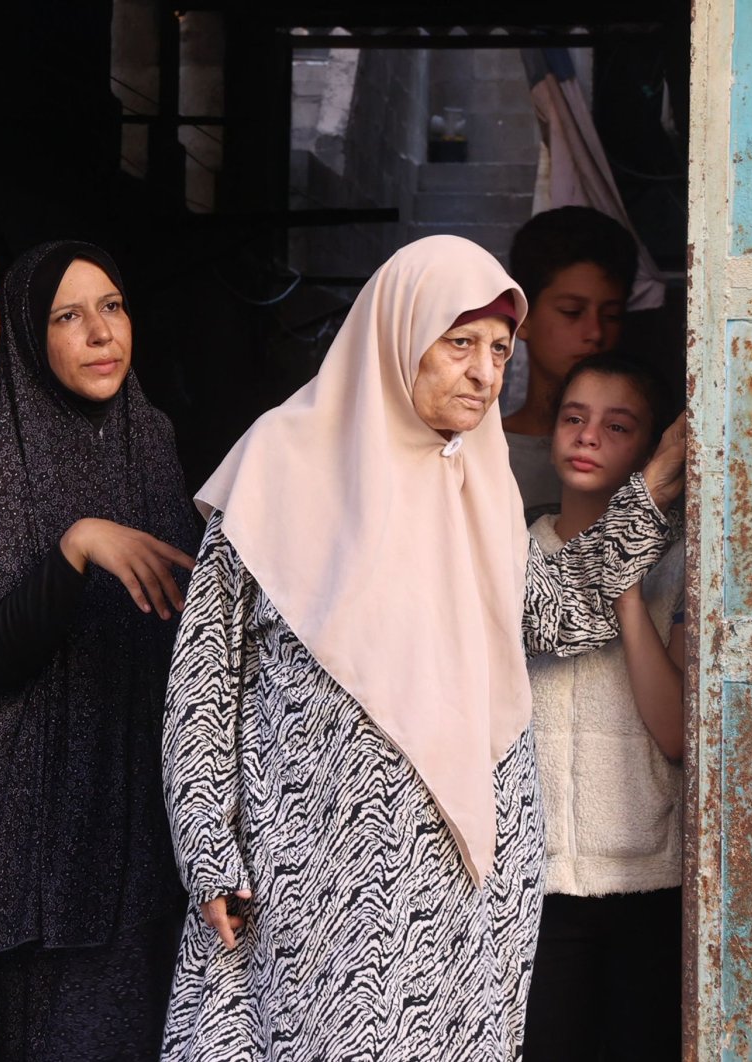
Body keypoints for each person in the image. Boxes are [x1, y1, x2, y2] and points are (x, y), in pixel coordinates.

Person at [160, 235, 685, 1061]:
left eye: (500, 350)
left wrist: (653, 486)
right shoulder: (279, 465)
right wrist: (208, 847)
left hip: (463, 886)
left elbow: (551, 617)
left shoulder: (481, 482)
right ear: (399, 333)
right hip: (311, 866)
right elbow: (202, 679)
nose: (484, 373)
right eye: (460, 343)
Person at [0, 241, 200, 1059]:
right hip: (53, 840)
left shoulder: (152, 437)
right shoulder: (6, 452)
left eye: (113, 307)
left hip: (150, 822)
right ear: (30, 335)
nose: (100, 332)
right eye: (68, 316)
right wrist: (78, 545)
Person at [522, 355, 685, 1061]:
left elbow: (676, 732)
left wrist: (622, 584)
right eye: (573, 418)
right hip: (535, 884)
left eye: (616, 427)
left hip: (649, 882)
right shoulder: (512, 556)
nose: (588, 436)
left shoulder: (681, 566)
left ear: (652, 454)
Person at [501, 206, 638, 524]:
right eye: (572, 311)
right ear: (523, 317)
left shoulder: (640, 455)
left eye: (612, 315)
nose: (595, 333)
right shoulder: (474, 451)